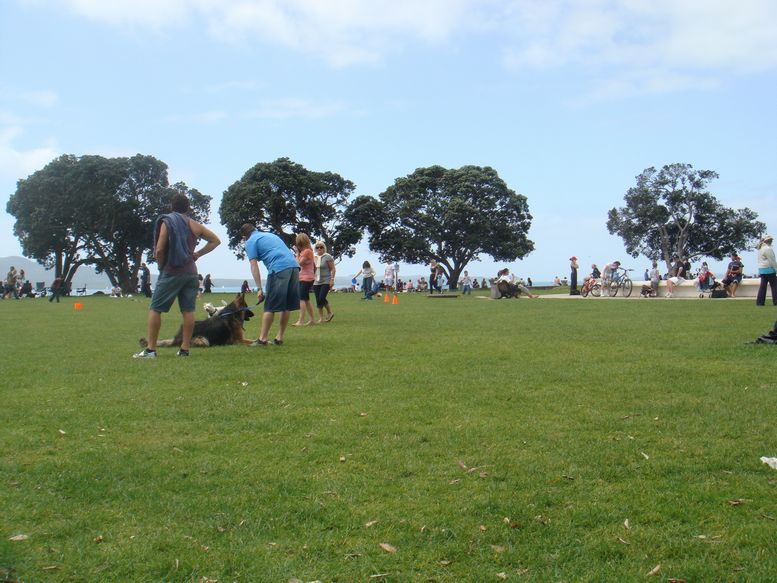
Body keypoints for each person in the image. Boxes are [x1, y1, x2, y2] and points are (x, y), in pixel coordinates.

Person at [134, 193, 220, 358]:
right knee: (188, 311)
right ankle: (184, 350)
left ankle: (151, 350)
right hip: (191, 273)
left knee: (155, 309)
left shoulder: (168, 222)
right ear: (188, 208)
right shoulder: (195, 225)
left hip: (172, 270)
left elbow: (160, 249)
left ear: (171, 207)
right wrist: (197, 254)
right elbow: (215, 240)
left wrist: (161, 265)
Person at [238, 224, 301, 345]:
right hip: (294, 267)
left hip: (279, 269)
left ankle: (262, 339)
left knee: (269, 306)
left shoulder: (250, 241)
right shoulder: (270, 235)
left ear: (244, 237)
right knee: (286, 306)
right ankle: (279, 338)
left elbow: (253, 265)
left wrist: (259, 288)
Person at [292, 233, 316, 325]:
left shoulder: (307, 251)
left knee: (302, 299)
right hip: (303, 278)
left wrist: (297, 253)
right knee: (306, 299)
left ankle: (301, 320)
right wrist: (298, 253)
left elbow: (299, 263)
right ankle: (312, 320)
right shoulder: (304, 252)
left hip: (306, 278)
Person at [312, 240, 336, 323]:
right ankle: (321, 318)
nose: (319, 248)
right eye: (317, 247)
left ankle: (330, 312)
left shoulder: (327, 256)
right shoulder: (314, 257)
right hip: (316, 281)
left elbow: (333, 269)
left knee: (321, 298)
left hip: (326, 280)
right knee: (318, 300)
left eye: (321, 247)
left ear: (324, 248)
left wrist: (332, 280)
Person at [756, 234, 777, 306]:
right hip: (769, 269)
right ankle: (776, 301)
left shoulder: (760, 248)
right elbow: (772, 260)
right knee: (774, 286)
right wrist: (776, 269)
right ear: (768, 240)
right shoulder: (768, 249)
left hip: (762, 270)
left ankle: (760, 302)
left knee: (762, 287)